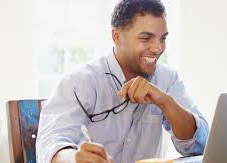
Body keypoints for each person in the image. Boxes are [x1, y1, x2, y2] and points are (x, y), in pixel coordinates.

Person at [36, 0, 209, 162]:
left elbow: (200, 146)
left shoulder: (168, 80)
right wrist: (73, 158)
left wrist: (165, 102)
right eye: (146, 38)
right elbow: (51, 143)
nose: (157, 48)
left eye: (162, 38)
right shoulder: (79, 82)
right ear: (117, 36)